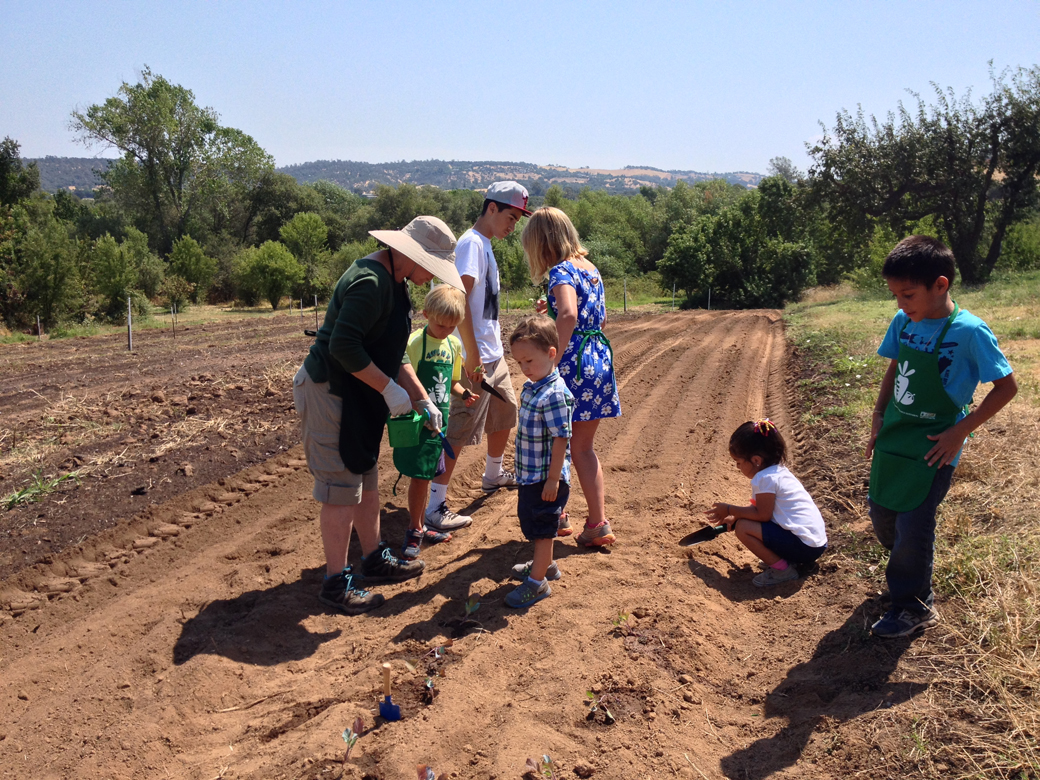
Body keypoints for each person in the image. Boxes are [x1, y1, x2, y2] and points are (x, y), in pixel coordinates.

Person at [293, 216, 465, 615]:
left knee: (366, 474)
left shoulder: (397, 282)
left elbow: (394, 350)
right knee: (341, 486)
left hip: (358, 392)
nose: (431, 278)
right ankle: (336, 583)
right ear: (410, 254)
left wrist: (420, 397)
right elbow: (343, 346)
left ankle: (373, 559)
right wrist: (388, 389)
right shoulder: (370, 283)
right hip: (331, 391)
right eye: (432, 267)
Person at [865, 235, 1017, 638]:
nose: (900, 304)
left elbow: (1007, 388)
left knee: (914, 525)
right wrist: (878, 415)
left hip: (935, 446)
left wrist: (958, 434)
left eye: (908, 294)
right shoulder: (904, 322)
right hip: (895, 437)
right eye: (895, 295)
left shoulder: (969, 332)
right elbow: (895, 370)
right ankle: (906, 572)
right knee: (882, 514)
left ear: (940, 284)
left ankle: (913, 606)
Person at [426, 181, 531, 532]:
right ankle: (435, 504)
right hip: (475, 354)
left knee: (505, 411)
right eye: (511, 216)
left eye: (518, 220)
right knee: (460, 427)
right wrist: (470, 353)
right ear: (491, 208)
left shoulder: (484, 245)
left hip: (490, 350)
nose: (513, 225)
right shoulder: (471, 244)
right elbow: (459, 298)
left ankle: (493, 474)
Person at [524, 207, 619, 547]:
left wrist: (554, 361)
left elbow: (568, 314)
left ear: (542, 243)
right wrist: (547, 307)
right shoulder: (590, 269)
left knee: (558, 444)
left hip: (572, 365)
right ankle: (595, 523)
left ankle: (558, 515)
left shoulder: (560, 271)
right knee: (583, 448)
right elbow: (599, 319)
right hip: (597, 360)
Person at [393, 284, 479, 560]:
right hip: (419, 420)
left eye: (452, 327)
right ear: (426, 314)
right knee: (420, 477)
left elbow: (452, 381)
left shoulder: (453, 345)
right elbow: (404, 380)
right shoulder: (415, 343)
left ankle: (421, 523)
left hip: (440, 421)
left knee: (428, 473)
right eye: (441, 325)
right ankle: (414, 530)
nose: (445, 331)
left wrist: (463, 393)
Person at [705, 419, 828, 587]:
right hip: (814, 543)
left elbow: (762, 515)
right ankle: (784, 559)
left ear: (756, 460)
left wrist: (729, 509)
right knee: (742, 522)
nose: (737, 467)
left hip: (805, 547)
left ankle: (783, 570)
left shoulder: (764, 479)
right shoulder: (777, 472)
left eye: (739, 462)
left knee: (743, 528)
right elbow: (758, 509)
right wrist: (735, 516)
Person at [506, 315, 574, 608]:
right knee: (534, 525)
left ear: (550, 354)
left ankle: (537, 584)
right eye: (519, 363)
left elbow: (561, 438)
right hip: (531, 475)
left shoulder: (555, 394)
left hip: (546, 478)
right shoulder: (532, 387)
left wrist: (553, 479)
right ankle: (545, 566)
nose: (524, 369)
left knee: (543, 530)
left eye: (529, 361)